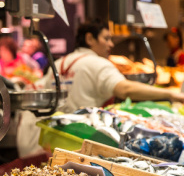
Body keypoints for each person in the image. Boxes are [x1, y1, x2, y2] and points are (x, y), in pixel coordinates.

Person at [39, 20, 184, 113]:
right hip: (83, 137)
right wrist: (171, 94)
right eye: (106, 38)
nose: (111, 44)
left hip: (55, 137)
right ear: (90, 39)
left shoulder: (57, 65)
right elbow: (126, 89)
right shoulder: (97, 63)